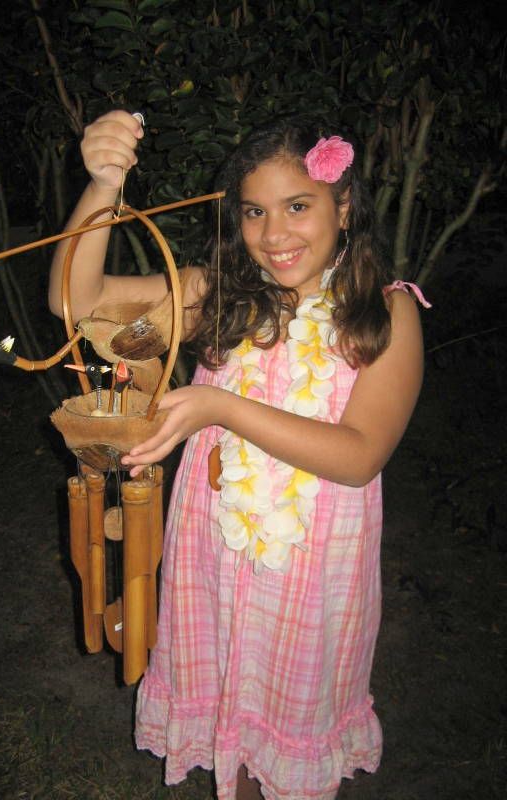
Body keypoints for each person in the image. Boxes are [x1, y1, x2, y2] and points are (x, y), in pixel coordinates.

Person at [49, 109, 427, 800]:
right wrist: (103, 185)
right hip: (213, 562)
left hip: (315, 577)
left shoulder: (385, 312)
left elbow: (359, 455)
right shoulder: (219, 295)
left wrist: (221, 408)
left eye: (297, 206)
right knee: (233, 736)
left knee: (285, 752)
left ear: (343, 207)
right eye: (254, 211)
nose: (274, 234)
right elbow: (75, 301)